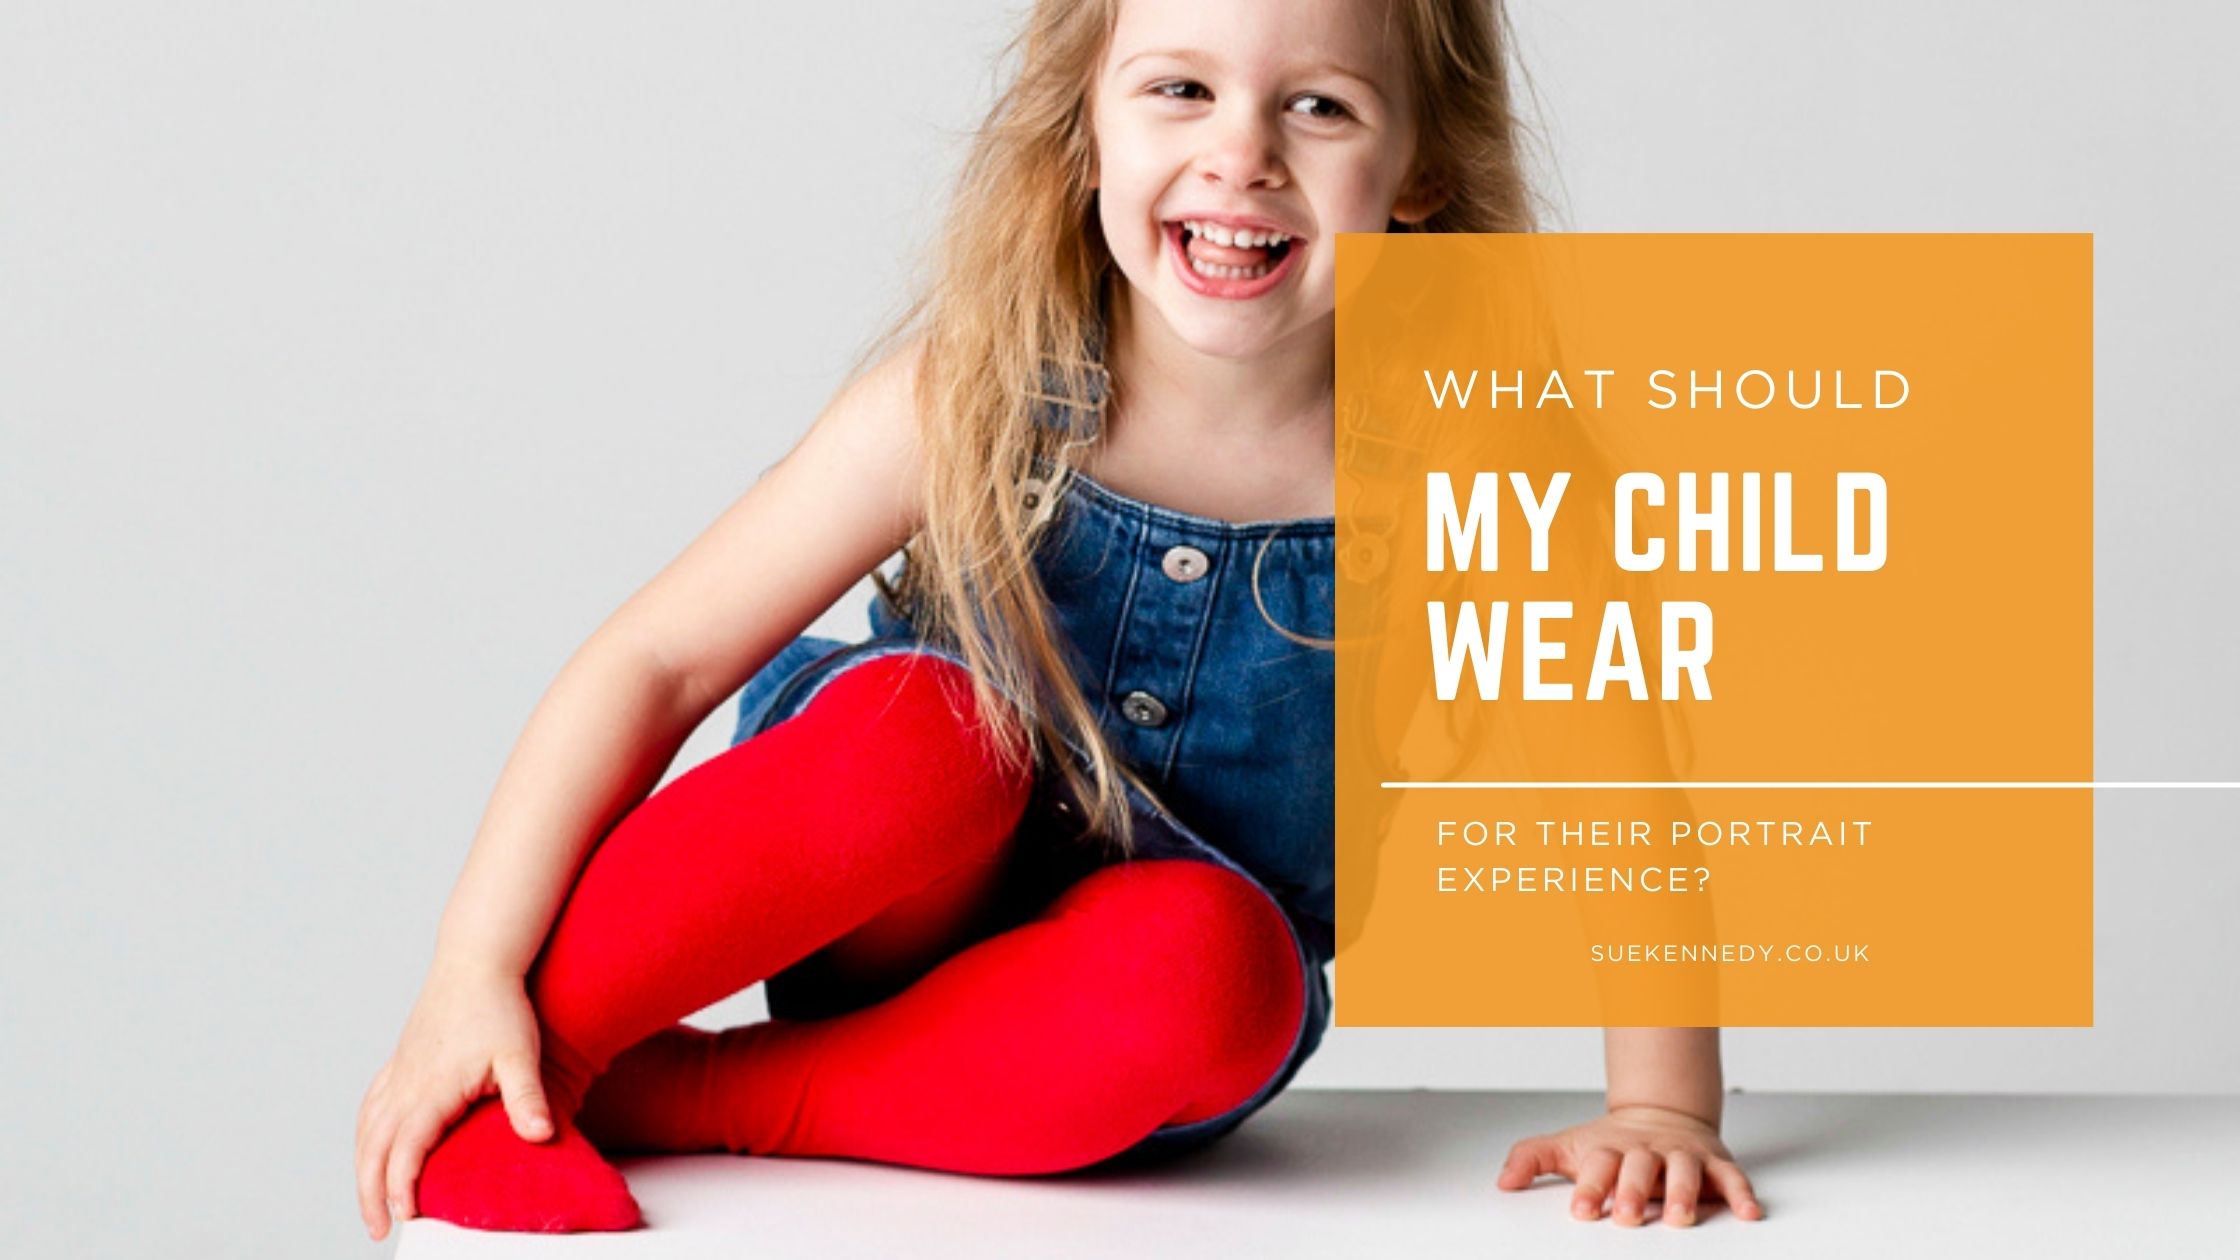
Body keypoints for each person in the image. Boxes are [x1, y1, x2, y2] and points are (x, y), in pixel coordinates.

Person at [353, 0, 1767, 1238]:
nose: (1243, 154)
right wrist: (471, 968)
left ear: (1424, 172)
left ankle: (697, 1093)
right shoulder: (974, 392)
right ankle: (534, 1058)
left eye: (1320, 106)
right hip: (886, 901)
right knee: (929, 736)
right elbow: (658, 660)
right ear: (1085, 122)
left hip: (1088, 1037)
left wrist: (1664, 1106)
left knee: (1226, 970)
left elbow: (1622, 782)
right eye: (1180, 89)